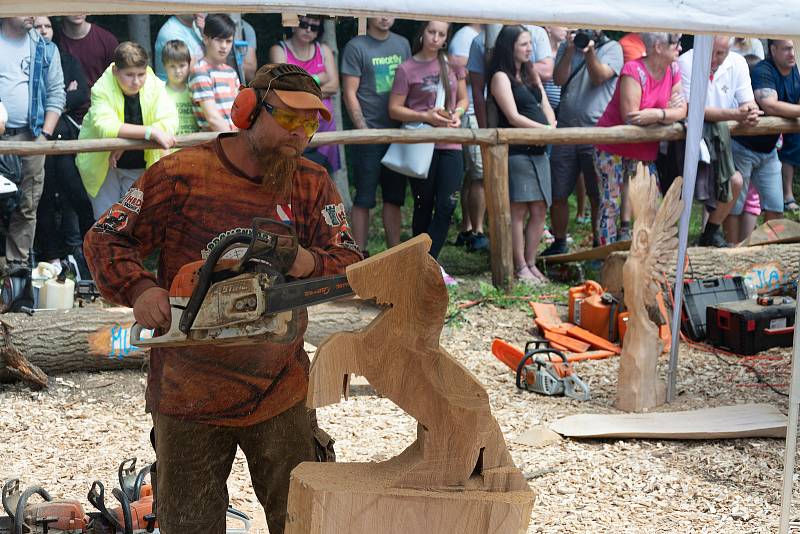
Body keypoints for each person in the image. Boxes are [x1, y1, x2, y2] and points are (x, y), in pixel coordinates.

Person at [83, 62, 361, 534]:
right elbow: (106, 237)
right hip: (189, 391)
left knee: (304, 521)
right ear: (248, 111)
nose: (301, 134)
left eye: (311, 122)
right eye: (290, 118)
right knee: (190, 525)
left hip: (280, 387)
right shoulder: (181, 174)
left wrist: (305, 263)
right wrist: (140, 288)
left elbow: (351, 262)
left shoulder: (310, 183)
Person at [389, 20, 468, 286]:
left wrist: (456, 115)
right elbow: (395, 109)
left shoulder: (453, 65)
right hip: (421, 143)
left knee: (447, 204)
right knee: (423, 205)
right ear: (422, 33)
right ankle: (421, 265)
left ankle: (428, 263)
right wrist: (426, 116)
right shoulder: (406, 68)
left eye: (441, 34)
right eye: (431, 32)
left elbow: (464, 99)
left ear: (446, 38)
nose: (435, 38)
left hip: (451, 142)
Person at [594, 32, 687, 245]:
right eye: (676, 44)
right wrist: (666, 113)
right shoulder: (633, 70)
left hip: (644, 150)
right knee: (611, 203)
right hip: (613, 146)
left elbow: (682, 109)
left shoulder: (673, 69)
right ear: (658, 47)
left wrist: (657, 114)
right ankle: (604, 257)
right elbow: (632, 116)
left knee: (649, 202)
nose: (680, 49)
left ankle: (645, 255)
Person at [542, 28, 623, 255]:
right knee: (558, 192)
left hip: (597, 133)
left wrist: (589, 53)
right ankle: (559, 243)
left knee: (596, 194)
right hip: (566, 131)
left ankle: (598, 246)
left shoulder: (612, 48)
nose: (589, 29)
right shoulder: (567, 47)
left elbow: (599, 78)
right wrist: (569, 50)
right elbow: (558, 80)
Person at [76, 42, 178, 219]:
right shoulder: (101, 88)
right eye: (129, 75)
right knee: (106, 223)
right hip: (104, 167)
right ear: (116, 71)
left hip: (140, 164)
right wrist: (149, 133)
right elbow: (104, 126)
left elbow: (170, 121)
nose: (136, 81)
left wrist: (126, 141)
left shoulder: (154, 84)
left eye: (141, 74)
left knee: (135, 222)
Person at [678, 36, 760, 247]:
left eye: (720, 53)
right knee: (683, 192)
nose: (714, 59)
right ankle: (680, 242)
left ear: (730, 49)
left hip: (719, 139)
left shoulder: (739, 63)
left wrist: (750, 112)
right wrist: (735, 114)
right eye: (711, 52)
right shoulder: (686, 61)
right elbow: (693, 107)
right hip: (687, 139)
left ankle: (710, 233)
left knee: (735, 182)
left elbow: (748, 101)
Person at [489, 25, 555, 284]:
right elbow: (513, 117)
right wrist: (546, 130)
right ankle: (519, 266)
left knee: (540, 208)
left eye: (530, 43)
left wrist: (552, 127)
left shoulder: (530, 72)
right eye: (524, 44)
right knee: (518, 211)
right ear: (510, 47)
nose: (530, 49)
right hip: (517, 151)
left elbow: (544, 103)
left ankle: (531, 262)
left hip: (540, 150)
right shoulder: (500, 77)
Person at [0, 16, 64, 278]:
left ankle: (16, 272)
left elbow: (56, 93)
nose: (31, 12)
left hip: (32, 135)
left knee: (27, 205)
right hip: (1, 137)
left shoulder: (45, 48)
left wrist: (45, 135)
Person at [340, 16, 411, 253]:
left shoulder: (403, 44)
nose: (384, 17)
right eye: (380, 9)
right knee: (364, 197)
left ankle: (395, 252)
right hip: (368, 132)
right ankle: (359, 254)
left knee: (394, 197)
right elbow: (350, 92)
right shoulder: (356, 46)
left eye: (390, 10)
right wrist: (362, 129)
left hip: (397, 132)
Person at [32, 16, 94, 277]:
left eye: (47, 26)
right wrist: (55, 100)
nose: (43, 31)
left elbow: (82, 93)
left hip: (65, 137)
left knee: (76, 197)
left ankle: (81, 253)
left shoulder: (66, 59)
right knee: (43, 199)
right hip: (38, 138)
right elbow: (33, 99)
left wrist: (55, 102)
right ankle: (51, 257)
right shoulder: (26, 63)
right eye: (38, 26)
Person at [728, 40, 799, 228]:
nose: (792, 53)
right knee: (734, 204)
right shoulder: (763, 70)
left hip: (769, 149)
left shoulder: (794, 71)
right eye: (786, 49)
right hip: (743, 146)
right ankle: (732, 252)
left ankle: (767, 250)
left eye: (792, 48)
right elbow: (770, 104)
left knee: (776, 206)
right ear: (773, 50)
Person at [269, 15, 340, 174]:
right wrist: (317, 78)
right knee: (291, 178)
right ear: (294, 25)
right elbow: (286, 85)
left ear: (318, 32)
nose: (308, 30)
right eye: (304, 24)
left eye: (314, 27)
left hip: (324, 128)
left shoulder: (324, 50)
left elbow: (334, 86)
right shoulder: (279, 50)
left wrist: (300, 86)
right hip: (292, 129)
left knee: (322, 180)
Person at [448, 23, 489, 252]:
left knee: (472, 175)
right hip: (471, 112)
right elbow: (457, 69)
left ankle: (467, 227)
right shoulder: (466, 36)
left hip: (474, 111)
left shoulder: (474, 35)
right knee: (479, 175)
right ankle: (477, 231)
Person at [189, 14, 240, 132]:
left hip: (234, 140)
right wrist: (235, 141)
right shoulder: (200, 71)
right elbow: (212, 118)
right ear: (206, 39)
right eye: (219, 40)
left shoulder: (231, 72)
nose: (224, 46)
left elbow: (240, 110)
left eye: (228, 41)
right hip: (215, 143)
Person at [55, 15, 117, 90]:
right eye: (72, 4)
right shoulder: (54, 42)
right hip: (65, 99)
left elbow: (118, 77)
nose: (77, 10)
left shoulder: (107, 40)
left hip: (102, 99)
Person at [162, 40, 200, 135]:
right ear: (164, 66)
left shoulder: (195, 90)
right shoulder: (160, 92)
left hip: (195, 145)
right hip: (171, 148)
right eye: (172, 66)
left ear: (189, 64)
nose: (178, 71)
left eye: (182, 65)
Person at [153, 13, 205, 81]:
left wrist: (205, 35)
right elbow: (191, 70)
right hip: (171, 90)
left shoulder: (197, 26)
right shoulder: (171, 32)